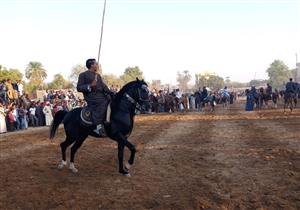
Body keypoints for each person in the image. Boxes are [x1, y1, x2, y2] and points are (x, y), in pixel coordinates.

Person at [77, 58, 114, 136]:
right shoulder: (83, 75)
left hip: (101, 95)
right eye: (96, 64)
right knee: (103, 102)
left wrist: (111, 93)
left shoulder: (98, 75)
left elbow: (104, 86)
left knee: (112, 100)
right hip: (92, 97)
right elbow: (79, 88)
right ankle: (98, 126)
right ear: (91, 65)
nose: (97, 65)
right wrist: (90, 85)